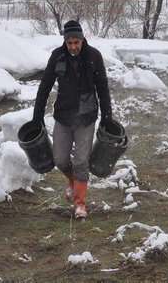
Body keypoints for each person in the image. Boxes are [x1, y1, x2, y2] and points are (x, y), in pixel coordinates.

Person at [32, 20, 113, 219]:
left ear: (82, 39)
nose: (73, 47)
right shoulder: (57, 56)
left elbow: (102, 87)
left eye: (76, 42)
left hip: (86, 117)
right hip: (63, 115)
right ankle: (72, 181)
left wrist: (107, 117)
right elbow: (45, 86)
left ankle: (79, 204)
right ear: (65, 42)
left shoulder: (94, 56)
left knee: (81, 161)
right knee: (59, 159)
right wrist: (37, 116)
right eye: (69, 43)